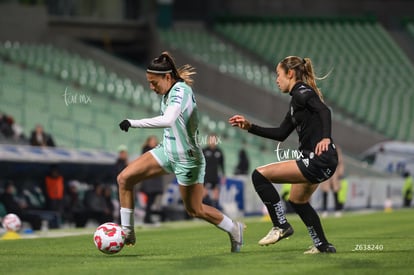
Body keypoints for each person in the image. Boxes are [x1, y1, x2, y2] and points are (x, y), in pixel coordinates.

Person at [117, 51, 244, 252]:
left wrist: (133, 122)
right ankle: (127, 232)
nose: (151, 87)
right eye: (149, 82)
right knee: (124, 179)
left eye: (154, 82)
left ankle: (234, 228)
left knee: (195, 209)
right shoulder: (167, 91)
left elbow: (168, 120)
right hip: (167, 151)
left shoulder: (180, 91)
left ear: (167, 77)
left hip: (188, 159)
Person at [229, 56, 338, 254]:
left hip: (317, 159)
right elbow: (280, 133)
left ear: (290, 73)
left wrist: (325, 138)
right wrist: (250, 127)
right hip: (324, 161)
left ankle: (281, 225)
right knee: (297, 200)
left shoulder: (301, 92)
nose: (276, 79)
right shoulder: (296, 100)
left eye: (278, 74)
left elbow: (325, 111)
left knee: (259, 175)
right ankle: (323, 245)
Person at [140, 135, 165, 224]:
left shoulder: (158, 150)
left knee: (152, 200)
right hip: (149, 179)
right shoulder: (147, 151)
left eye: (155, 140)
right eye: (152, 140)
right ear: (148, 142)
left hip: (155, 179)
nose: (154, 142)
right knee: (149, 200)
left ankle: (148, 217)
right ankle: (147, 218)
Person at [320, 146, 344, 217]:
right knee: (325, 193)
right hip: (325, 173)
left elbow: (340, 162)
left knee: (335, 192)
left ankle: (337, 209)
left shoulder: (337, 149)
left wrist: (340, 173)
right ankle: (324, 210)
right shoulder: (322, 148)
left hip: (334, 174)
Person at [202, 133, 225, 209]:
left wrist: (223, 176)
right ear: (208, 141)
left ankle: (215, 212)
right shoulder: (204, 151)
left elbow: (222, 165)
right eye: (211, 139)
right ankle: (203, 213)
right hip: (206, 176)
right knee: (203, 194)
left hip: (215, 177)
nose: (212, 141)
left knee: (216, 195)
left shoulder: (219, 151)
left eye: (214, 140)